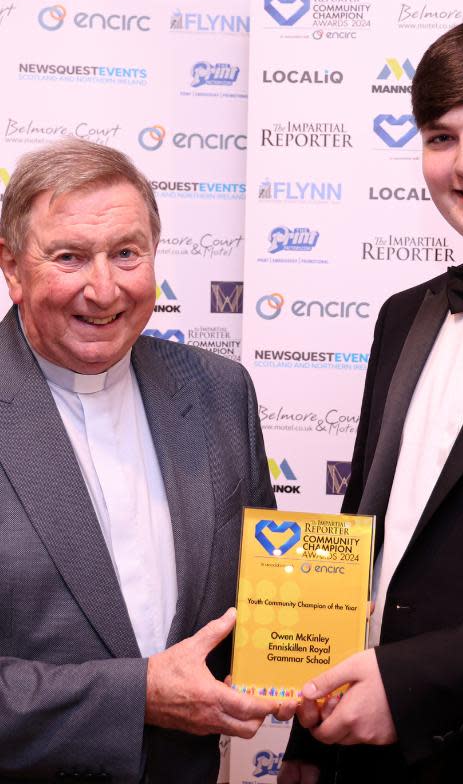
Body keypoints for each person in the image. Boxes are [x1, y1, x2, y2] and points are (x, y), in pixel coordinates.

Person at [280, 15, 463, 782]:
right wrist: (308, 748)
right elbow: (364, 535)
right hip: (363, 757)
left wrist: (416, 687)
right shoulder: (402, 316)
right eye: (441, 137)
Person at [0, 138, 285, 782]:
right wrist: (140, 695)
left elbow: (260, 594)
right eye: (69, 257)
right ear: (13, 269)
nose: (103, 289)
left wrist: (309, 655)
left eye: (126, 254)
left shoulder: (219, 391)